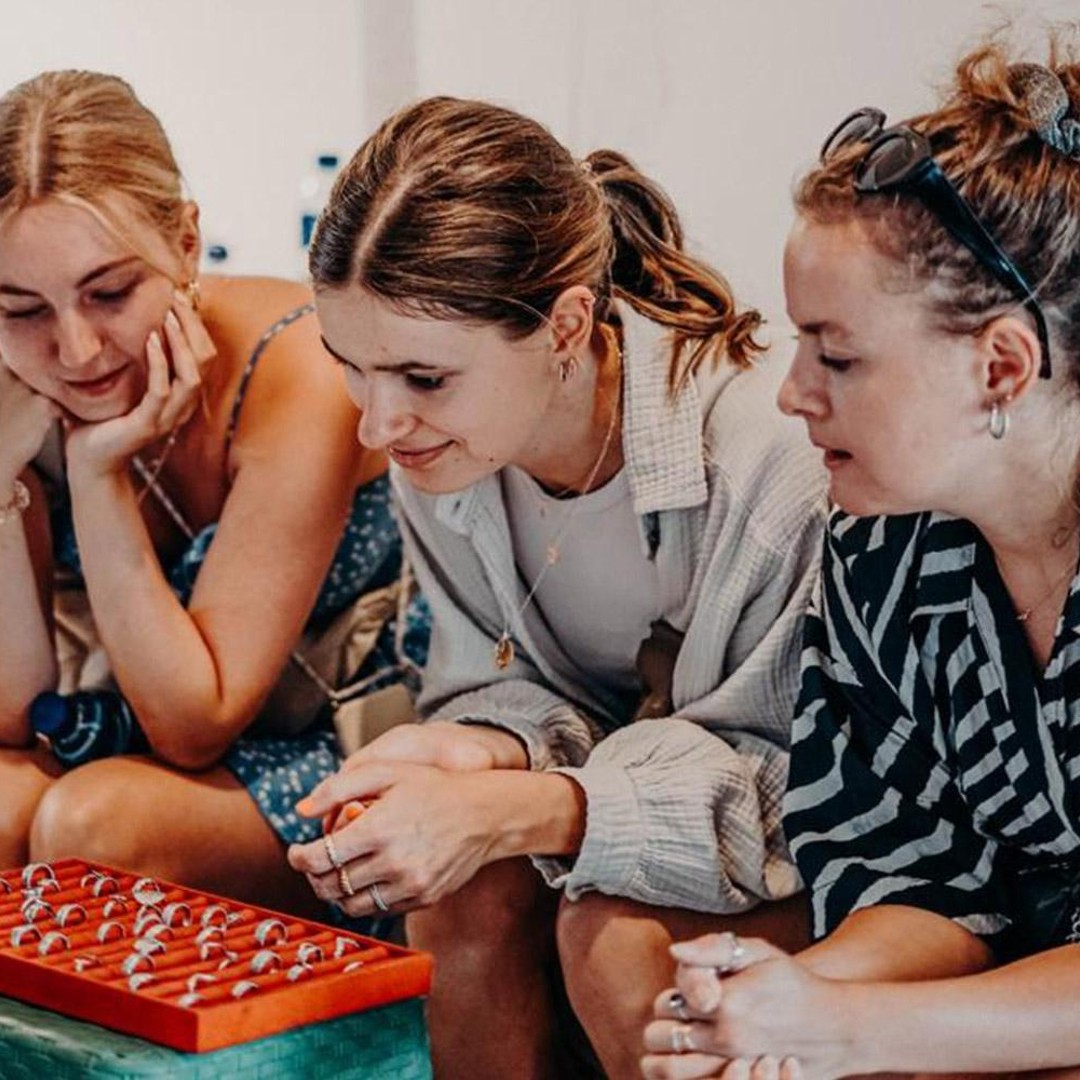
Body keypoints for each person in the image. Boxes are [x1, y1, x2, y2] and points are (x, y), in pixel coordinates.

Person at [285, 95, 826, 1078]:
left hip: (818, 860)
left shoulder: (768, 463)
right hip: (653, 809)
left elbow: (801, 800)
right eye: (351, 368)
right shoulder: (441, 458)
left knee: (609, 933)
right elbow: (503, 683)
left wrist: (525, 806)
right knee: (460, 891)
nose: (377, 425)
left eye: (423, 378)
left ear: (568, 324)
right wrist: (471, 747)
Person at [644, 33, 1080, 1080]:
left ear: (1002, 365)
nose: (792, 391)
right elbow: (922, 879)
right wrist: (779, 999)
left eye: (836, 355)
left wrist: (848, 1030)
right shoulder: (881, 550)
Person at [0, 70, 424, 917]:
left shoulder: (299, 365)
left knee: (92, 828)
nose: (76, 351)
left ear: (187, 242)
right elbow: (14, 711)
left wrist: (97, 473)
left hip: (343, 743)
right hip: (124, 732)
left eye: (109, 293)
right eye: (20, 309)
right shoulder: (18, 393)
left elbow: (196, 723)